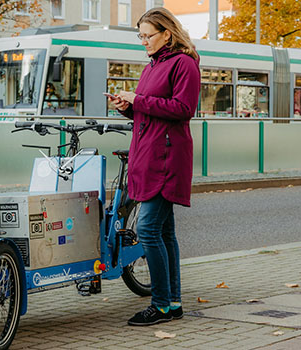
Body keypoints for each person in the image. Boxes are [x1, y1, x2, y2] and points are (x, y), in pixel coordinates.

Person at [107, 7, 200, 326]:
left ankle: (161, 304)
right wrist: (127, 108)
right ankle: (172, 303)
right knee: (164, 231)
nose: (143, 41)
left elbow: (183, 109)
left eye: (148, 35)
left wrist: (138, 100)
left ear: (167, 34)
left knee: (147, 229)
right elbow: (148, 114)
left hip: (166, 158)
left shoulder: (184, 63)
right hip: (149, 154)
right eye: (141, 36)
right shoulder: (152, 67)